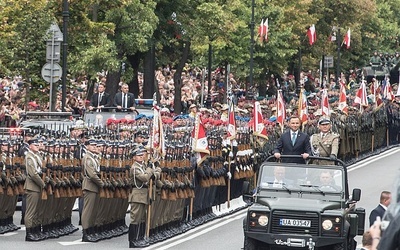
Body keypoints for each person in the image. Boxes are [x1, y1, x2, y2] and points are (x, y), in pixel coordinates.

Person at [128, 147, 155, 248]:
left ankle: (140, 238)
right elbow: (144, 178)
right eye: (139, 156)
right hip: (137, 195)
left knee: (142, 218)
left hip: (144, 194)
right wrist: (149, 170)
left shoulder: (142, 166)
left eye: (142, 155)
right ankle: (132, 240)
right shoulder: (134, 168)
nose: (141, 157)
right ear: (134, 157)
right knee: (135, 218)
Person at [81, 139, 104, 242]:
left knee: (94, 211)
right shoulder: (88, 158)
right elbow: (92, 174)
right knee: (88, 211)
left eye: (95, 145)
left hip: (94, 186)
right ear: (87, 146)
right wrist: (101, 183)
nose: (94, 147)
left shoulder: (94, 157)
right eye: (92, 145)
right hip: (90, 185)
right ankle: (86, 232)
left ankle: (91, 230)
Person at [24, 136, 46, 241]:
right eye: (35, 145)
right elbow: (33, 174)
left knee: (37, 210)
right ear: (30, 146)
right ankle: (29, 233)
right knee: (31, 211)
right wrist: (43, 183)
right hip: (33, 187)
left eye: (38, 145)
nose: (37, 146)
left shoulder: (37, 156)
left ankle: (35, 230)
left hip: (37, 186)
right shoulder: (29, 157)